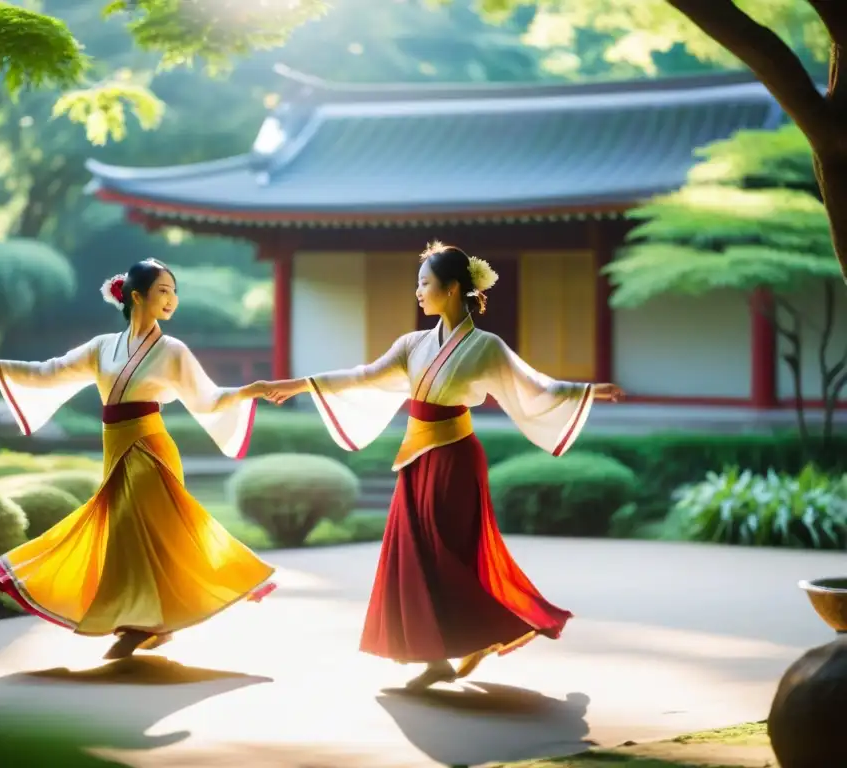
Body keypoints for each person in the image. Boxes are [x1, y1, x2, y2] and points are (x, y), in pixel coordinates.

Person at [259, 242, 624, 690]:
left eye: (425, 283)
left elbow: (536, 386)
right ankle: (435, 659)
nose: (417, 291)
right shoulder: (412, 344)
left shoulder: (486, 347)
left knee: (449, 554)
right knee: (415, 554)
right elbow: (362, 376)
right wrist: (297, 386)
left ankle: (484, 632)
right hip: (416, 459)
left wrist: (587, 391)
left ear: (452, 289)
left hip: (455, 457)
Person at [0, 259, 276, 660]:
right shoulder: (104, 346)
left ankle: (141, 624)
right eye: (162, 290)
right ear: (136, 296)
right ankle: (152, 621)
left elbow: (208, 399)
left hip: (149, 449)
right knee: (130, 538)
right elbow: (50, 371)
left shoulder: (172, 350)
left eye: (174, 291)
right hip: (116, 446)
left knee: (133, 533)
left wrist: (251, 390)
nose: (172, 299)